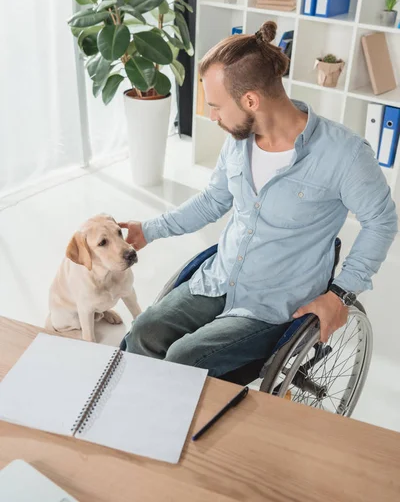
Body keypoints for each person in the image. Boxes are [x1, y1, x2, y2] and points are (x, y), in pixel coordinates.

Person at [120, 20, 398, 378]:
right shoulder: (239, 140)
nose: (211, 116)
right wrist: (150, 229)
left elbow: (382, 222)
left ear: (250, 100)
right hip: (220, 279)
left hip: (275, 305)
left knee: (183, 360)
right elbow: (213, 201)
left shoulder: (343, 154)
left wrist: (340, 294)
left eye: (217, 105)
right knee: (144, 332)